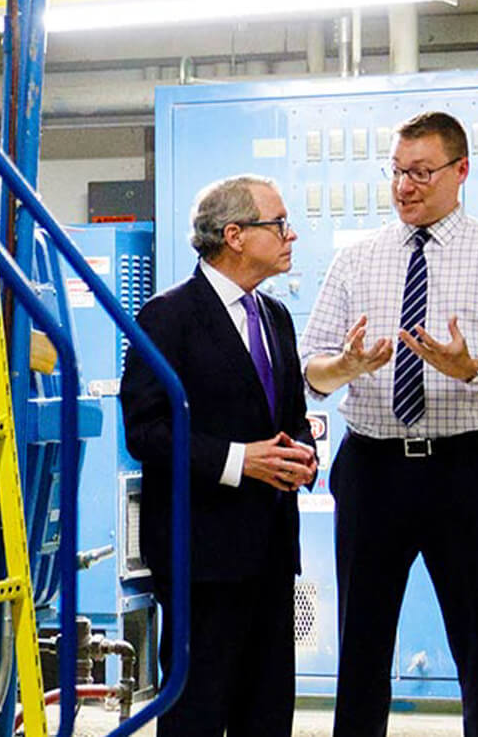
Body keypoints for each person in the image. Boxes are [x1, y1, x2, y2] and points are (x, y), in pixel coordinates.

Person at [300, 111, 478, 737]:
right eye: (397, 173)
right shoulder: (358, 260)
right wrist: (345, 366)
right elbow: (309, 371)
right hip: (371, 468)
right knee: (361, 647)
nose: (405, 187)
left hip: (466, 469)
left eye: (422, 173)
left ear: (461, 171)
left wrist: (475, 369)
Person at [120, 175, 318, 737]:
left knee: (269, 712)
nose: (291, 235)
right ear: (234, 235)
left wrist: (302, 454)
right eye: (278, 224)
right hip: (201, 558)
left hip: (272, 553)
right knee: (198, 713)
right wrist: (238, 461)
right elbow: (145, 430)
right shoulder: (168, 317)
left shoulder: (275, 317)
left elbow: (292, 416)